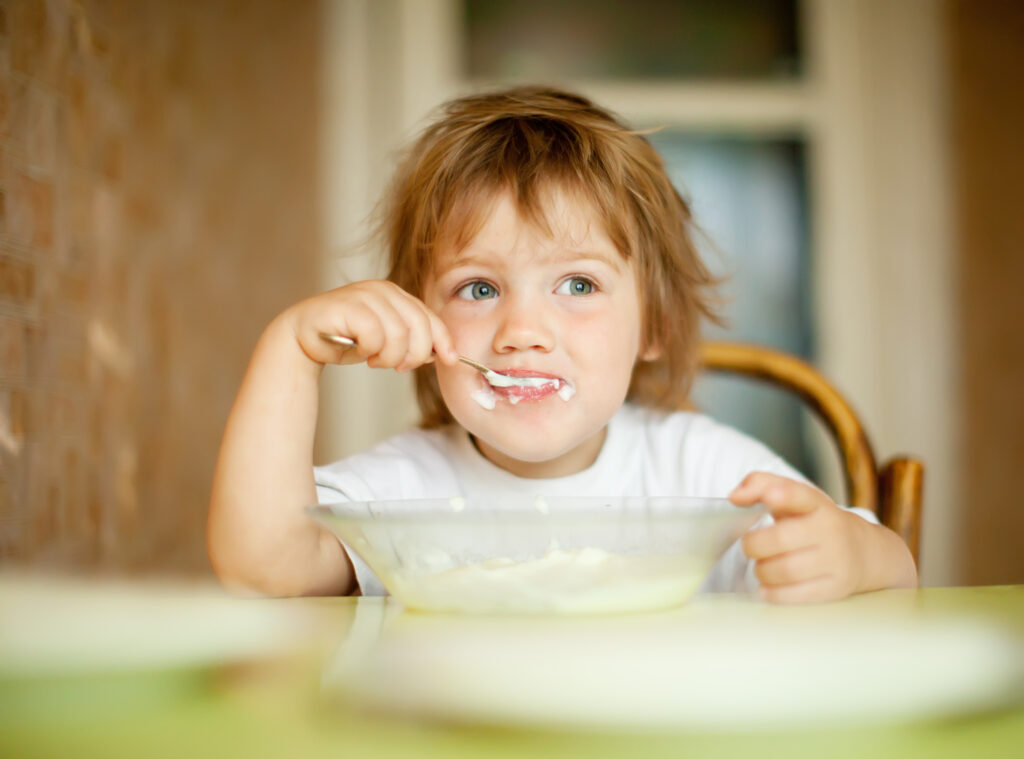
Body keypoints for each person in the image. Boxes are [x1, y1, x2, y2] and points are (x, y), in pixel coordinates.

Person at [207, 86, 917, 603]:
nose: (522, 331)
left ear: (656, 325)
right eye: (479, 289)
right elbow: (262, 566)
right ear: (420, 326)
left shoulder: (699, 468)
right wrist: (289, 351)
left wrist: (853, 557)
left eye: (577, 285)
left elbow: (898, 568)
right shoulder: (406, 491)